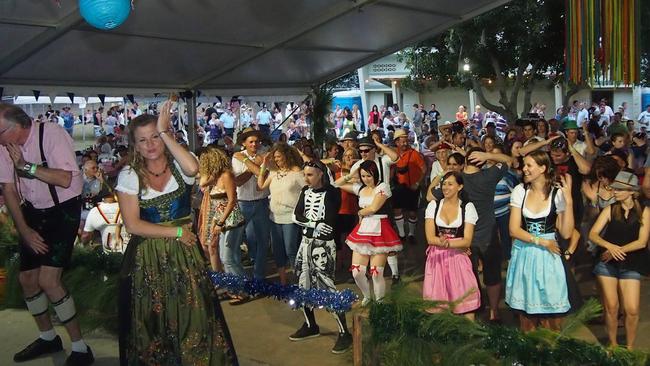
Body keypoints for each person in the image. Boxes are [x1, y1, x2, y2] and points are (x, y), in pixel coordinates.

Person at [116, 102, 237, 364]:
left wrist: (165, 131)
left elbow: (194, 169)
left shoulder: (181, 167)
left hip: (184, 255)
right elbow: (133, 225)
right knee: (154, 320)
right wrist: (177, 232)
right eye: (143, 140)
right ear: (135, 145)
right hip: (148, 257)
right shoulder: (129, 175)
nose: (150, 145)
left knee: (194, 314)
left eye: (155, 137)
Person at [0, 103, 93, 365]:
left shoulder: (51, 134)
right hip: (33, 209)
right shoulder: (3, 147)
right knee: (28, 279)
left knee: (49, 280)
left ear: (16, 127)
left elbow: (64, 179)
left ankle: (81, 348)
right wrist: (25, 230)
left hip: (63, 208)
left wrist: (26, 167)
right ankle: (48, 337)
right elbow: (8, 190)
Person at [506, 150, 579, 331]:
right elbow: (514, 229)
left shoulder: (557, 194)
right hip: (526, 253)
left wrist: (569, 202)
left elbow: (567, 232)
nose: (524, 169)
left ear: (542, 168)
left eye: (529, 165)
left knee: (551, 319)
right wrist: (541, 241)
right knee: (526, 318)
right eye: (524, 165)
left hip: (549, 259)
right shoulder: (520, 191)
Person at [290, 161, 352, 354]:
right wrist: (313, 224)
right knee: (302, 284)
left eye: (310, 175)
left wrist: (310, 224)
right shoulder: (304, 191)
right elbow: (296, 215)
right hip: (306, 243)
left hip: (323, 245)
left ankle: (344, 332)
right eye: (305, 174)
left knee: (327, 286)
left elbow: (330, 220)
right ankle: (310, 325)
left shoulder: (332, 192)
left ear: (320, 175)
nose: (306, 178)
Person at [589, 171, 649, 349]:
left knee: (632, 309)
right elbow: (593, 234)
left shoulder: (645, 212)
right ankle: (613, 343)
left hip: (632, 263)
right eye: (614, 188)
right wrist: (609, 246)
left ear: (631, 191)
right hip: (608, 265)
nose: (614, 191)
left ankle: (630, 346)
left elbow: (642, 242)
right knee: (611, 307)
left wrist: (616, 250)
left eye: (619, 189)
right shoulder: (610, 209)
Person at [335, 160, 403, 304]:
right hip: (363, 230)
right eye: (363, 176)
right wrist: (351, 174)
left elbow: (373, 208)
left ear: (376, 174)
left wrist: (360, 212)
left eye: (369, 176)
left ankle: (380, 303)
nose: (366, 179)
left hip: (380, 230)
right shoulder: (360, 188)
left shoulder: (383, 187)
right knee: (357, 272)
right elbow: (337, 184)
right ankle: (367, 296)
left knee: (376, 273)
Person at [424, 172, 480, 319]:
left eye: (450, 184)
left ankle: (470, 336)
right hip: (437, 260)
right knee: (439, 303)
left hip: (458, 259)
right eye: (444, 184)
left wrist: (446, 242)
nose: (445, 187)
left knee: (465, 300)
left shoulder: (468, 208)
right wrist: (453, 243)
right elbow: (430, 238)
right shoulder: (433, 205)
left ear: (460, 186)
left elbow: (467, 240)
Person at [257, 142, 304, 285]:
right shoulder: (273, 173)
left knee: (291, 248)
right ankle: (283, 280)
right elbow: (260, 187)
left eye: (278, 157)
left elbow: (307, 189)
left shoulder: (296, 172)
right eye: (274, 157)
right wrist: (263, 166)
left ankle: (299, 279)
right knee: (278, 250)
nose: (276, 159)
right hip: (274, 217)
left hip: (290, 217)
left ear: (286, 155)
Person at [197, 147, 246, 281]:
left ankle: (243, 288)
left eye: (205, 162)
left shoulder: (226, 175)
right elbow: (202, 183)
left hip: (232, 220)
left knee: (227, 259)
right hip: (223, 221)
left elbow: (232, 201)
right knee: (231, 258)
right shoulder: (215, 177)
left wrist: (220, 222)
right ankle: (238, 287)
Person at [232, 127, 271, 280]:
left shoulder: (265, 156)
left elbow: (266, 178)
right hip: (243, 203)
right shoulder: (237, 157)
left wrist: (248, 163)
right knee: (238, 241)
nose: (255, 144)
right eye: (251, 142)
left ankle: (259, 276)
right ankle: (240, 275)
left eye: (256, 141)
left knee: (262, 241)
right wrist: (253, 165)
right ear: (244, 143)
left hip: (261, 202)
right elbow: (238, 181)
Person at [392, 129, 426, 241]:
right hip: (398, 187)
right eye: (402, 141)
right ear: (396, 142)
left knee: (412, 212)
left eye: (406, 141)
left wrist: (417, 183)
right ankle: (401, 234)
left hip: (412, 187)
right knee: (397, 210)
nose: (405, 143)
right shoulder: (393, 153)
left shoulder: (415, 154)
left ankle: (411, 234)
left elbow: (424, 169)